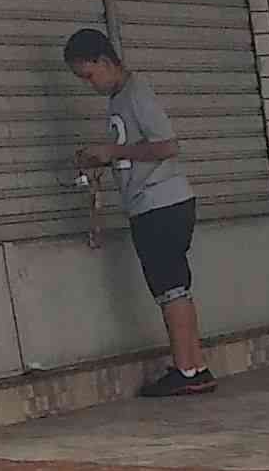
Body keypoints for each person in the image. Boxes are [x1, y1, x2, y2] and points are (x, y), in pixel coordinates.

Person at [63, 28, 212, 398]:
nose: (89, 84)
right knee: (176, 289)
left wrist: (113, 152)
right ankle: (195, 365)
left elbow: (167, 146)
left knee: (169, 290)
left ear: (104, 61)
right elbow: (136, 149)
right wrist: (104, 157)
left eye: (89, 75)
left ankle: (187, 370)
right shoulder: (120, 98)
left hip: (160, 204)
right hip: (155, 204)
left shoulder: (136, 93)